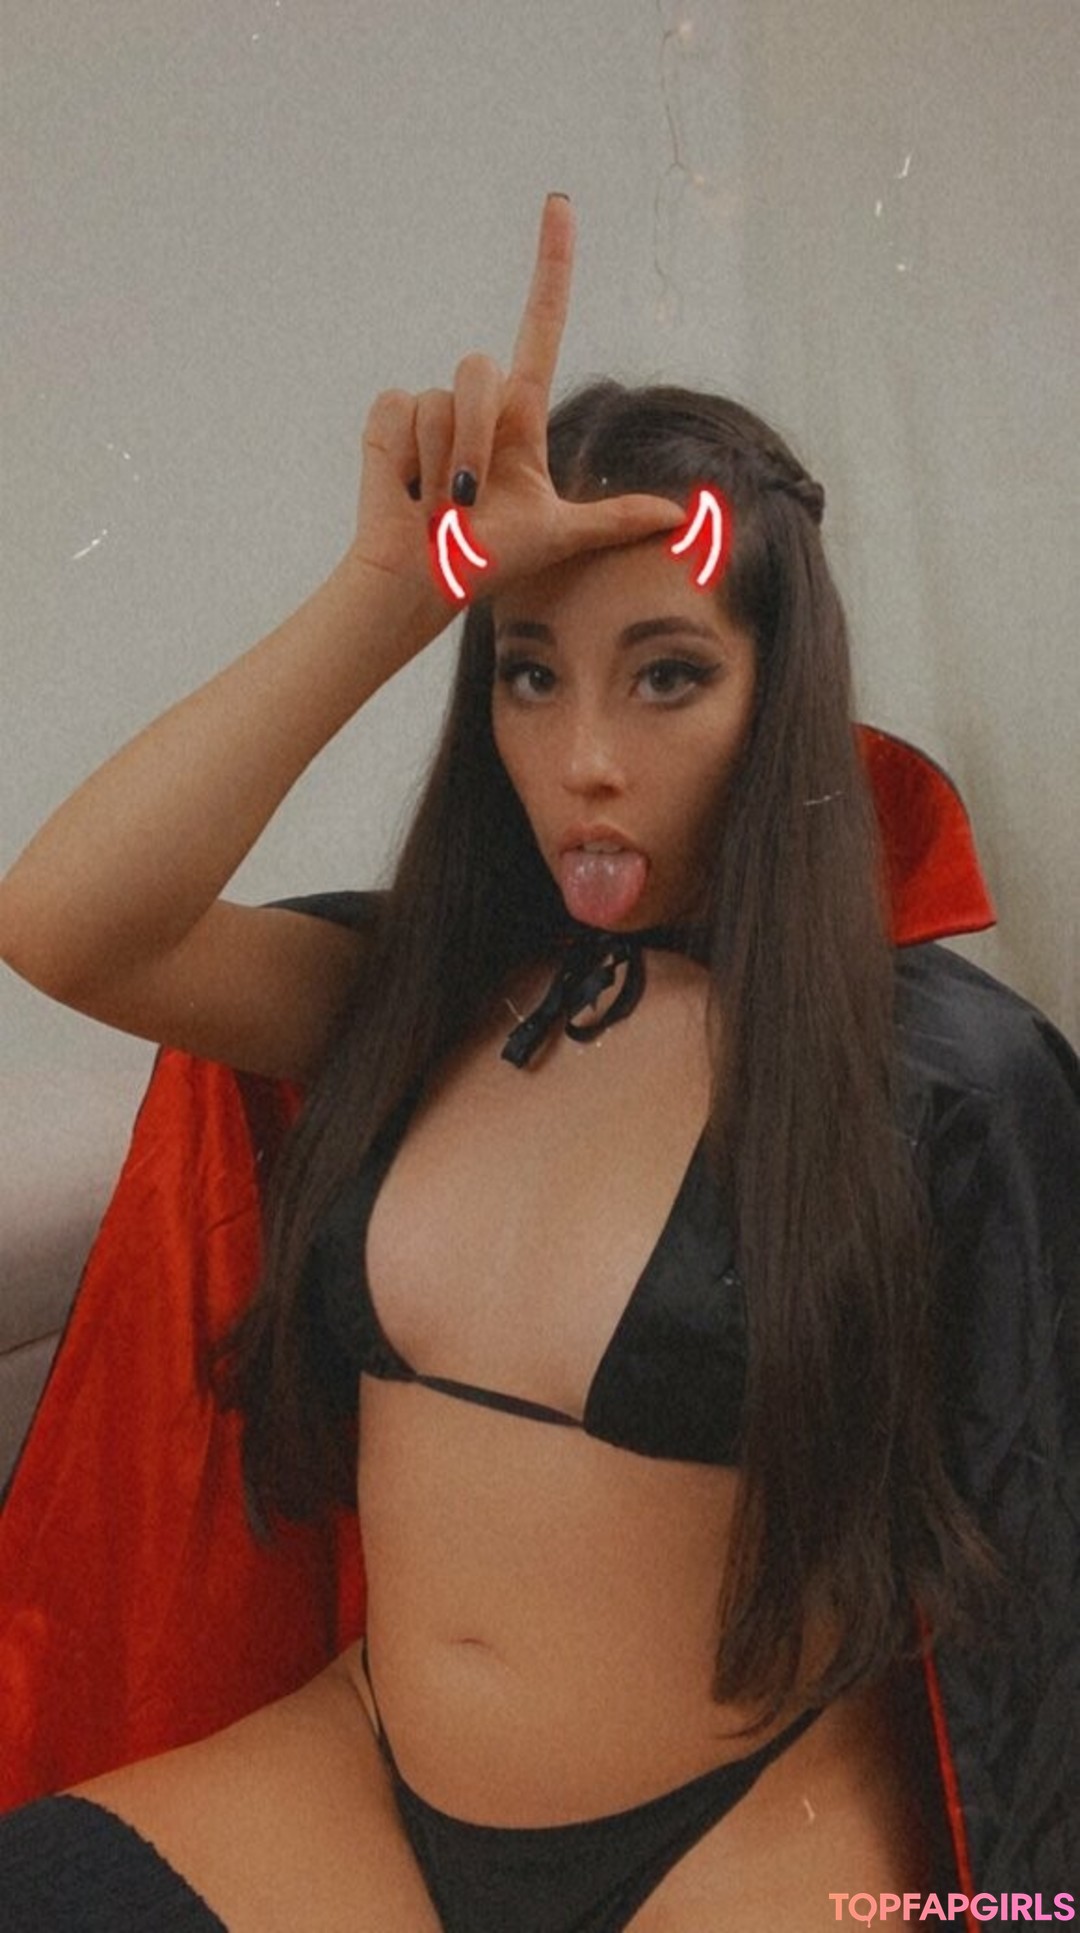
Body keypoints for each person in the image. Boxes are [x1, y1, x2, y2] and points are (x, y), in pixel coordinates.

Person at [0, 194, 1076, 1931]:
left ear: (779, 699)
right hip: (364, 1788)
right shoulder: (407, 994)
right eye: (527, 675)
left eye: (667, 677)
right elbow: (64, 922)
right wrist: (391, 593)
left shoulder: (945, 1077)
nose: (583, 758)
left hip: (753, 1829)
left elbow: (1044, 1570)